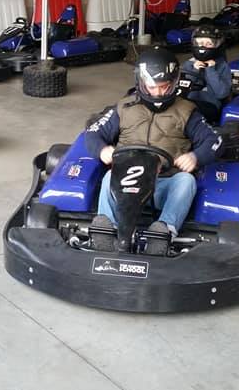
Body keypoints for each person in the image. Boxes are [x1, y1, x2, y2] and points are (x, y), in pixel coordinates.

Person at [85, 48, 222, 254]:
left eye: (163, 87)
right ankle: (106, 230)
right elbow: (92, 133)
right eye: (151, 87)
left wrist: (195, 156)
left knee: (186, 181)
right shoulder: (123, 107)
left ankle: (162, 233)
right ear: (141, 83)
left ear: (174, 83)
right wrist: (103, 149)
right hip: (124, 182)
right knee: (109, 176)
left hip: (163, 183)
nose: (157, 93)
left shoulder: (187, 111)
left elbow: (215, 140)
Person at [180, 24, 232, 123]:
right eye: (200, 43)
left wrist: (210, 69)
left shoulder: (222, 65)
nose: (203, 46)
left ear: (217, 46)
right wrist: (194, 70)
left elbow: (221, 93)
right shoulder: (189, 64)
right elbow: (182, 90)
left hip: (210, 104)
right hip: (188, 101)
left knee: (189, 113)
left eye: (208, 44)